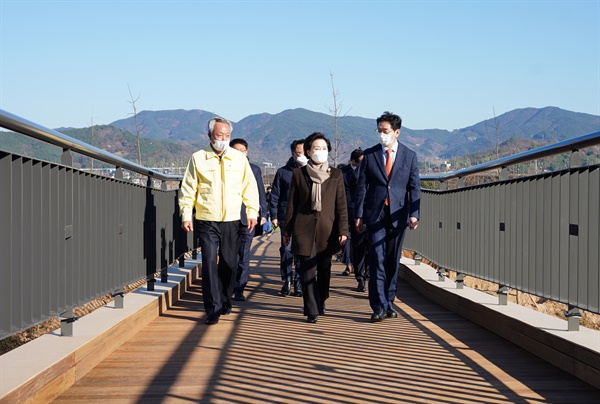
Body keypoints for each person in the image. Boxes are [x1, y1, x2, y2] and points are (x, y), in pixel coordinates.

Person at [179, 117, 259, 325]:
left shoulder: (238, 159)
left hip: (232, 219)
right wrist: (186, 214)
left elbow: (249, 187)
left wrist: (252, 212)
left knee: (230, 264)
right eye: (218, 135)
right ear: (209, 136)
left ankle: (225, 299)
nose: (223, 139)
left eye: (226, 136)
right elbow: (188, 189)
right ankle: (212, 308)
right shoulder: (198, 158)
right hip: (206, 219)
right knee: (209, 263)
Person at [354, 111, 421, 322]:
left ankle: (389, 301)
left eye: (386, 131)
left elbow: (414, 186)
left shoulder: (409, 156)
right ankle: (378, 305)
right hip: (375, 214)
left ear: (397, 132)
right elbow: (361, 187)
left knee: (393, 260)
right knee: (377, 259)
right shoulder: (370, 154)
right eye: (379, 131)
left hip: (398, 214)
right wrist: (358, 215)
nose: (382, 134)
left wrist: (414, 214)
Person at [283, 132, 348, 323]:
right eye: (316, 149)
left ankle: (321, 300)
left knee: (324, 269)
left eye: (324, 149)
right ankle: (311, 309)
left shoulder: (336, 174)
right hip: (304, 229)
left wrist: (343, 230)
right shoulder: (299, 174)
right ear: (309, 152)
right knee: (307, 270)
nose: (320, 152)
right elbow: (292, 204)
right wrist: (287, 230)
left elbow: (341, 205)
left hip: (327, 230)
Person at [229, 138, 268, 302]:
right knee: (230, 255)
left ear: (247, 152)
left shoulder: (255, 169)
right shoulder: (225, 168)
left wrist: (263, 213)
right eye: (236, 150)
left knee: (244, 254)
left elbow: (260, 191)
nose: (240, 153)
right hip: (228, 217)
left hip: (248, 218)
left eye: (243, 150)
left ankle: (239, 288)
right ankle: (228, 286)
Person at [270, 139, 306, 297]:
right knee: (286, 250)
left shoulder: (312, 171)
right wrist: (274, 215)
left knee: (302, 252)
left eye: (305, 152)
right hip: (286, 217)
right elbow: (275, 196)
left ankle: (299, 283)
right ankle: (287, 280)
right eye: (299, 153)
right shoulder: (283, 172)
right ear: (293, 154)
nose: (302, 155)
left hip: (306, 218)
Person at [340, 148, 368, 292]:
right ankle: (359, 275)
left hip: (363, 212)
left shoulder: (366, 171)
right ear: (353, 161)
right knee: (352, 242)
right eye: (360, 162)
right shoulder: (343, 172)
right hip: (346, 211)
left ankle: (364, 271)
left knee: (364, 244)